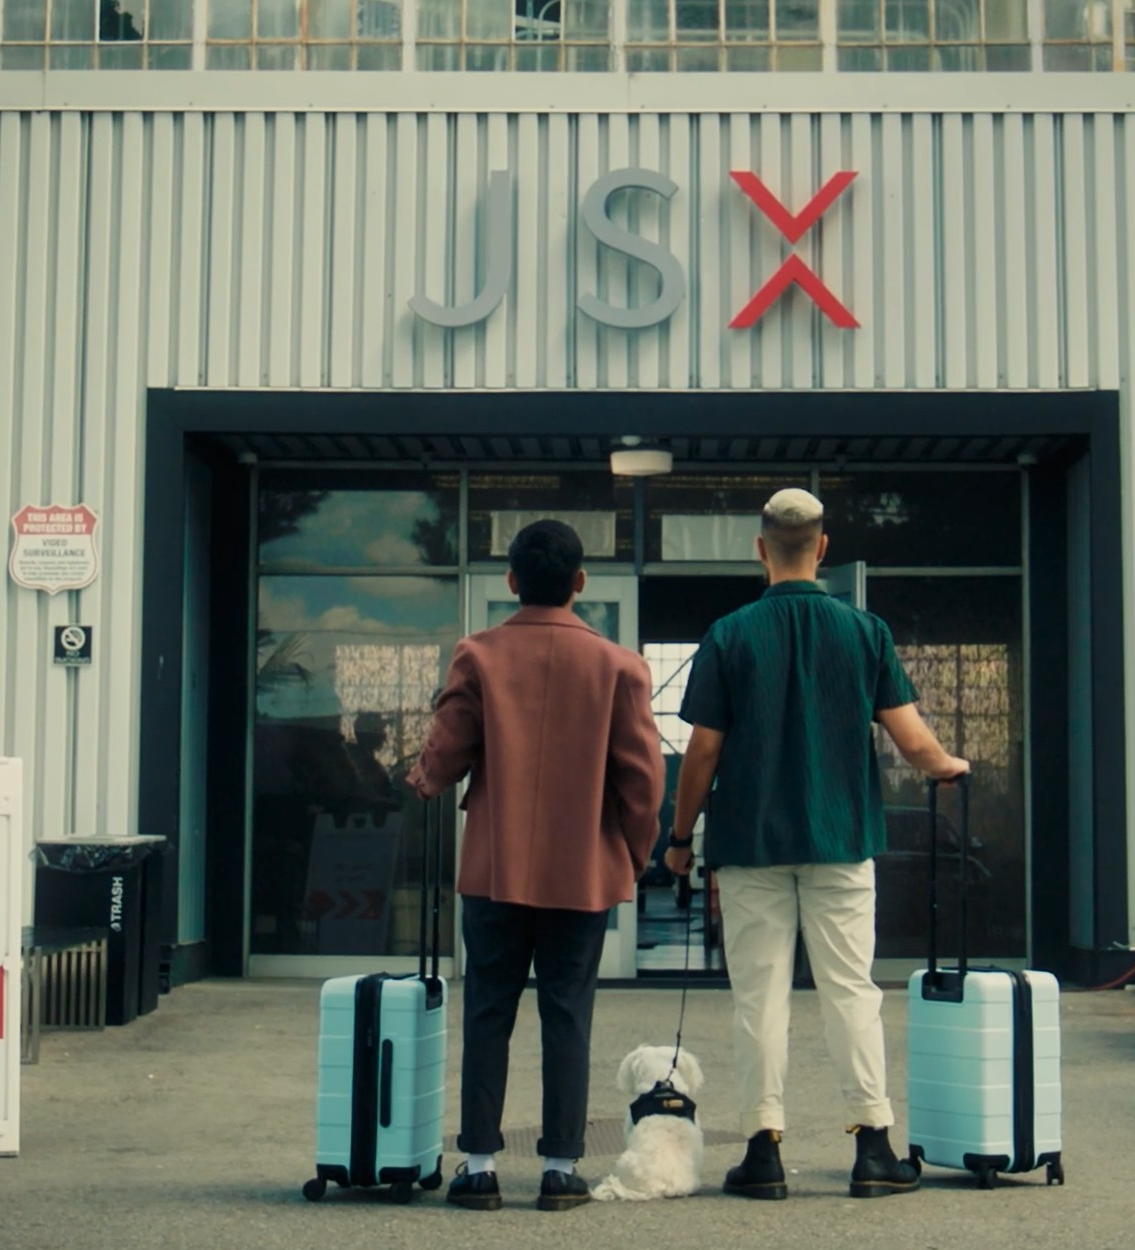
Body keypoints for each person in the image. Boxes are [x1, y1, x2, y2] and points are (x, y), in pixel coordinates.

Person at [664, 487, 969, 1201]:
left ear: (760, 549)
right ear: (823, 548)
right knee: (851, 992)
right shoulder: (865, 632)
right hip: (840, 838)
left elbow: (702, 750)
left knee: (759, 998)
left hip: (750, 845)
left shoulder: (729, 634)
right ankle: (873, 1147)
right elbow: (914, 741)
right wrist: (949, 766)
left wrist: (678, 839)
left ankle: (763, 1152)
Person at [407, 517, 663, 1212]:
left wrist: (424, 779)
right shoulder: (619, 666)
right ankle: (558, 1168)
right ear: (580, 582)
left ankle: (480, 1166)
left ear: (512, 580)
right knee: (568, 1013)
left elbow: (448, 749)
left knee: (488, 1010)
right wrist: (632, 854)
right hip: (582, 872)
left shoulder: (478, 655)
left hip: (494, 869)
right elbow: (643, 780)